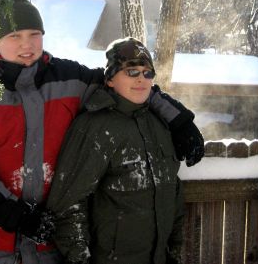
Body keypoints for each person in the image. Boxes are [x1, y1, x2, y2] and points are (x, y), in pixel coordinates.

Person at [0, 0, 203, 264]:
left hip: (47, 251)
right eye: (15, 36)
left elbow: (126, 83)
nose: (26, 44)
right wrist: (15, 215)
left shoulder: (69, 79)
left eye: (34, 34)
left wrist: (179, 121)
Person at [47, 37, 185, 264]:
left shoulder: (158, 124)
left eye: (148, 73)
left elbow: (174, 192)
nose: (141, 79)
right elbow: (67, 203)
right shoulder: (95, 128)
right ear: (110, 79)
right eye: (131, 71)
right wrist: (80, 259)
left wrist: (174, 251)